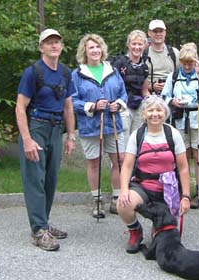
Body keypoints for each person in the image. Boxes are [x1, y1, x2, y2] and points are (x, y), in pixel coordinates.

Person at [15, 28, 76, 251]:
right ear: (41, 47)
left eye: (57, 42)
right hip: (36, 127)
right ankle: (38, 230)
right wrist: (27, 139)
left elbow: (68, 106)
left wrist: (71, 135)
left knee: (50, 179)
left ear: (61, 46)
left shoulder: (66, 73)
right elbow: (20, 108)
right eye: (48, 42)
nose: (53, 45)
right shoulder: (33, 73)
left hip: (56, 128)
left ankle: (44, 223)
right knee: (35, 180)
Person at [117, 95, 191, 254]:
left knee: (162, 237)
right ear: (144, 114)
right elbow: (127, 165)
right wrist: (123, 190)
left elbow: (183, 168)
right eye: (150, 110)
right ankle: (135, 231)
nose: (155, 114)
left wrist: (186, 196)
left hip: (168, 189)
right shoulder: (138, 135)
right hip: (142, 186)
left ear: (165, 113)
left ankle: (157, 226)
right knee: (123, 203)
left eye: (159, 110)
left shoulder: (173, 134)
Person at [72, 34, 128, 218]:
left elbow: (123, 94)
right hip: (90, 126)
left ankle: (116, 198)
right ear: (85, 51)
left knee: (119, 160)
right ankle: (96, 200)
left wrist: (118, 104)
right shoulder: (77, 74)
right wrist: (93, 106)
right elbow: (72, 101)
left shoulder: (112, 70)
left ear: (102, 49)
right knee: (94, 162)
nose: (95, 50)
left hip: (113, 123)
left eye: (98, 47)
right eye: (91, 48)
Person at [162, 42, 199, 209]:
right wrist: (173, 101)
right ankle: (183, 191)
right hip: (180, 119)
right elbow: (164, 96)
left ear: (196, 61)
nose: (188, 66)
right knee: (181, 156)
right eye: (184, 62)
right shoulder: (174, 76)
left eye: (190, 62)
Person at [113, 30, 150, 143]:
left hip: (138, 107)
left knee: (137, 140)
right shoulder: (119, 63)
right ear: (128, 45)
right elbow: (113, 87)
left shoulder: (145, 66)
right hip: (123, 107)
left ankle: (135, 161)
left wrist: (152, 101)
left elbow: (145, 91)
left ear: (145, 46)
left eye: (140, 44)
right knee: (123, 141)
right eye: (134, 44)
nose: (137, 47)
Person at [145, 19, 180, 94]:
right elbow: (137, 80)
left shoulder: (174, 53)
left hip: (172, 95)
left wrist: (170, 85)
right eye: (155, 31)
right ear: (149, 33)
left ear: (165, 33)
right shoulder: (143, 54)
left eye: (161, 31)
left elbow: (183, 74)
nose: (158, 34)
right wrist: (152, 86)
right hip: (150, 96)